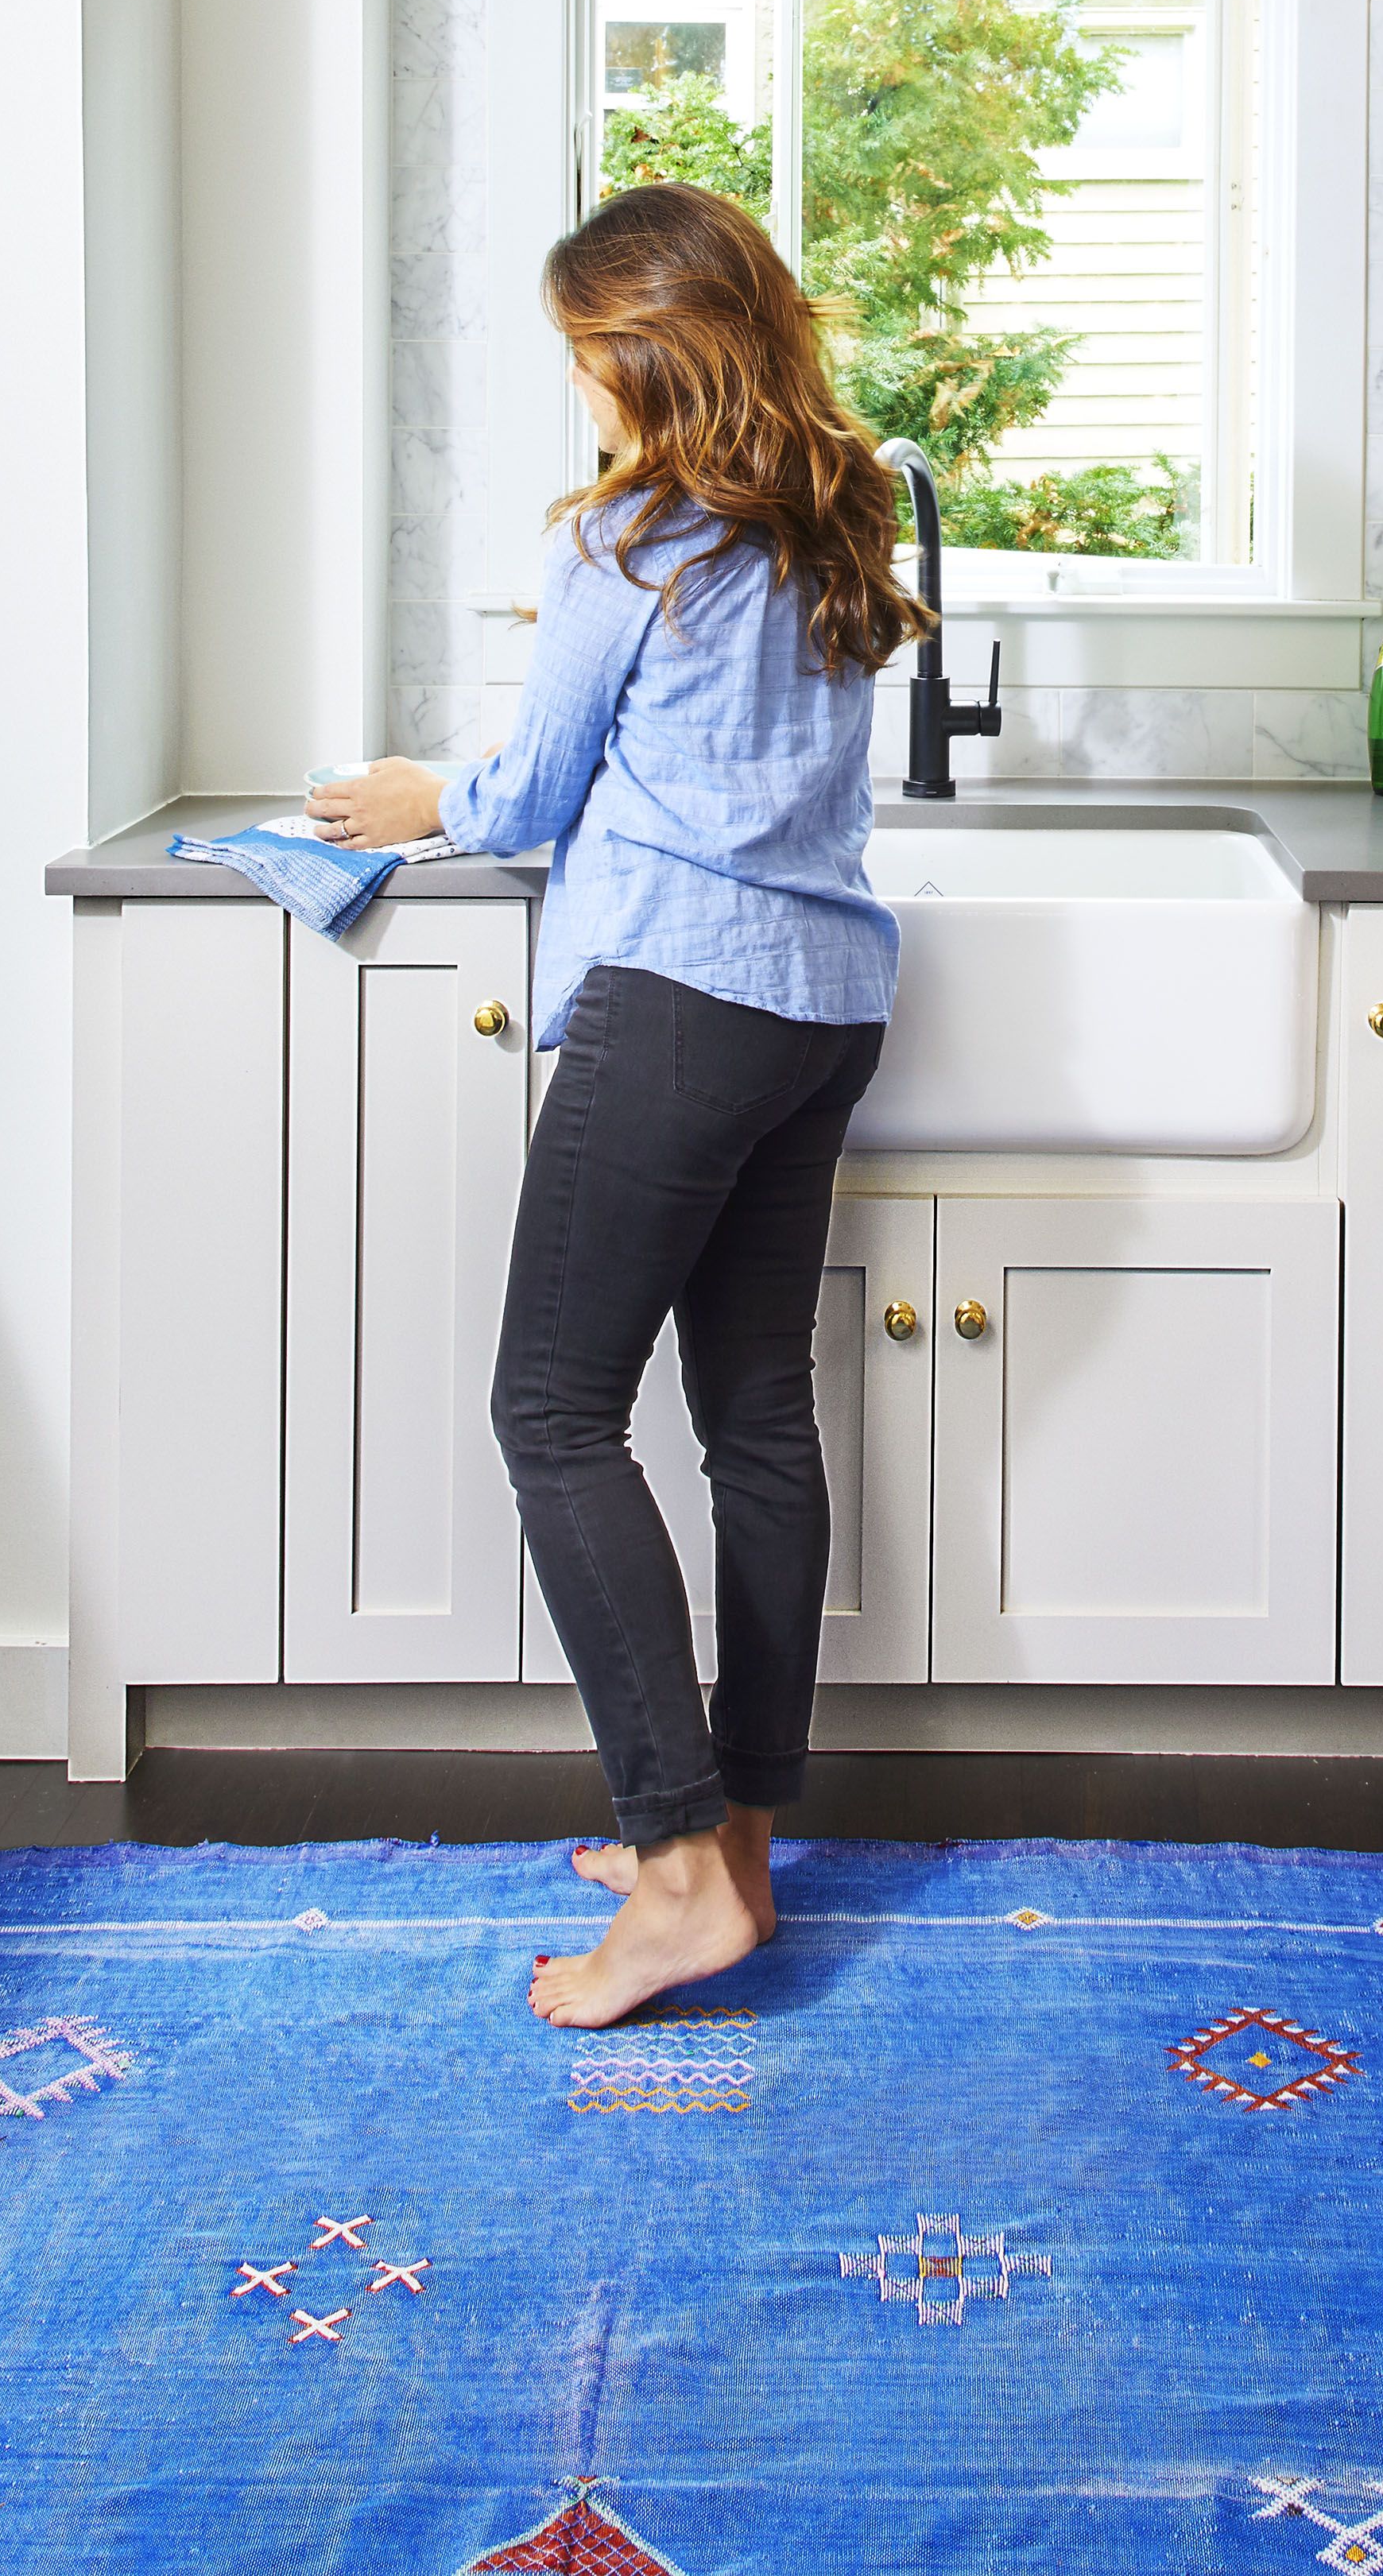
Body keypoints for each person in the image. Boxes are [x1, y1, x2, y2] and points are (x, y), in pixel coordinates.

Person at [308, 181, 925, 2024]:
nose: (581, 392)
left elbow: (524, 793)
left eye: (590, 359)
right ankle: (738, 1843)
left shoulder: (632, 540)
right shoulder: (842, 511)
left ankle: (672, 1874)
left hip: (678, 998)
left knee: (552, 1410)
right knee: (756, 1424)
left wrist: (429, 789)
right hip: (824, 1008)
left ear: (647, 355)